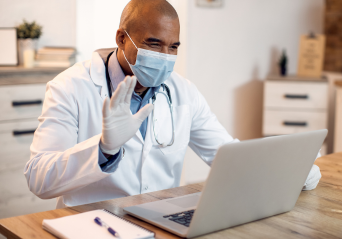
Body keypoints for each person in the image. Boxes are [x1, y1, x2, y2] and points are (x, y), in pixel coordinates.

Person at [24, 0, 321, 208]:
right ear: (121, 38)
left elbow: (227, 154)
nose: (165, 56)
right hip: (90, 225)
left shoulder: (183, 92)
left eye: (174, 46)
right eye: (154, 43)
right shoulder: (71, 87)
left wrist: (290, 170)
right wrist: (104, 149)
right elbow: (39, 179)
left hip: (158, 225)